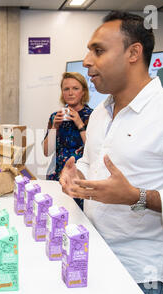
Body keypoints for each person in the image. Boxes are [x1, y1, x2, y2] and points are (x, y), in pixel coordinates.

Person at [59, 11, 163, 294]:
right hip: (94, 251)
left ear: (134, 52)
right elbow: (91, 162)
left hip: (143, 275)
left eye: (98, 51)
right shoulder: (101, 112)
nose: (86, 61)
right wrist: (77, 174)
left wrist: (137, 196)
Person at [42, 72, 92, 210]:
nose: (70, 93)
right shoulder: (55, 117)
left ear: (83, 92)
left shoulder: (92, 116)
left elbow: (94, 151)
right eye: (66, 89)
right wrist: (54, 127)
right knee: (56, 214)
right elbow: (47, 152)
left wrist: (80, 124)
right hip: (57, 177)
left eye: (75, 88)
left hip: (80, 179)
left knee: (78, 219)